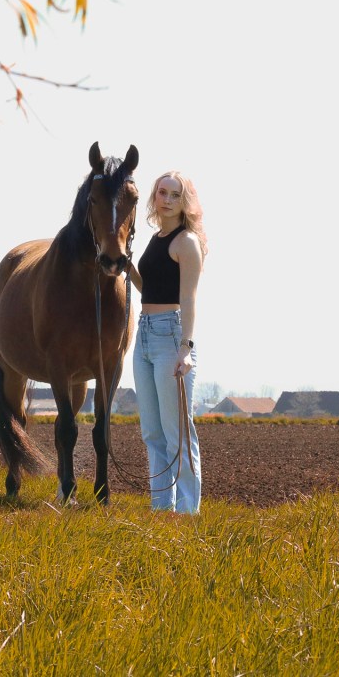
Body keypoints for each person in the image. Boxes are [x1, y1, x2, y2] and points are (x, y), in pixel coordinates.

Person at [127, 170, 207, 514]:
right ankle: (161, 509)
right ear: (154, 196)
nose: (168, 200)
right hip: (144, 334)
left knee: (178, 434)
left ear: (185, 202)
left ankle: (187, 513)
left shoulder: (186, 242)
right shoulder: (156, 238)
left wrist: (186, 349)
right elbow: (151, 290)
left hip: (171, 337)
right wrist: (128, 268)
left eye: (176, 195)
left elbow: (188, 299)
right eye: (163, 192)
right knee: (152, 433)